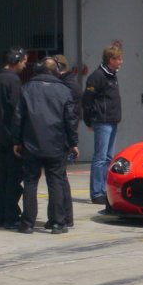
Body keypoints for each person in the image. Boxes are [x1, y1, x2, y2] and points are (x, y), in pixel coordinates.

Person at [12, 57, 79, 234]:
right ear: (56, 71)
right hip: (56, 144)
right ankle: (57, 223)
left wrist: (17, 141)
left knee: (30, 183)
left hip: (31, 143)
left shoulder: (26, 89)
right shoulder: (63, 91)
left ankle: (27, 223)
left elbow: (18, 118)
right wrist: (73, 143)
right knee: (56, 182)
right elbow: (70, 120)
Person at [0, 47, 27, 229]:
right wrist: (19, 138)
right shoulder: (13, 81)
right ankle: (11, 217)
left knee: (2, 178)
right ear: (17, 61)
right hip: (12, 137)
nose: (25, 66)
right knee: (14, 179)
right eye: (24, 62)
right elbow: (18, 111)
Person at [82, 45, 123, 205]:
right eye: (119, 59)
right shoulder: (97, 76)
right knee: (100, 157)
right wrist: (89, 120)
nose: (121, 62)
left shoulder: (113, 75)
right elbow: (87, 100)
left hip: (112, 120)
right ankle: (97, 192)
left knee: (108, 157)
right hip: (102, 121)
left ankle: (105, 190)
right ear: (111, 60)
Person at [46, 54, 81, 228]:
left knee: (59, 180)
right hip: (64, 135)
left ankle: (63, 217)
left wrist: (72, 141)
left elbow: (71, 116)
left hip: (63, 137)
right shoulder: (68, 84)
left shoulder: (68, 87)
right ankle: (62, 216)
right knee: (60, 179)